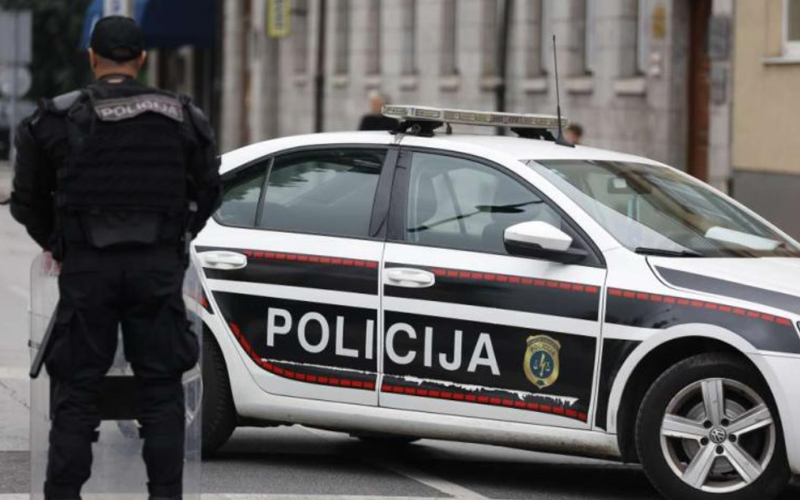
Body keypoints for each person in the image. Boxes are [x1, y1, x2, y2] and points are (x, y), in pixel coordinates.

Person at [10, 16, 221, 500]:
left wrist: (58, 244)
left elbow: (26, 201)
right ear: (142, 59)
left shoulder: (57, 119)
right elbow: (209, 191)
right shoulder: (183, 117)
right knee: (161, 393)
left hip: (88, 270)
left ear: (92, 57)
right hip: (156, 270)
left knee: (77, 393)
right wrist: (175, 240)